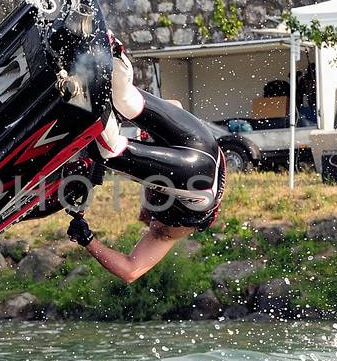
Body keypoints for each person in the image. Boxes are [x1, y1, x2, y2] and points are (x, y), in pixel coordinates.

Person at [26, 37, 240, 284]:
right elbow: (131, 271)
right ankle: (83, 94)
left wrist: (143, 129)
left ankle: (111, 51)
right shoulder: (164, 232)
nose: (145, 218)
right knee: (111, 149)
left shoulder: (166, 208)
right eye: (147, 218)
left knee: (124, 100)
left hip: (204, 141)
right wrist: (88, 240)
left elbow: (175, 106)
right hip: (199, 178)